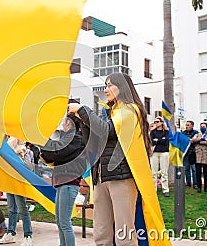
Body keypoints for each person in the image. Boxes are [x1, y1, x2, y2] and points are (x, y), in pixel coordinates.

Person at [68, 73, 168, 246]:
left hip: (121, 178)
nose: (105, 90)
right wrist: (82, 121)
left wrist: (83, 110)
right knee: (101, 235)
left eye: (109, 86)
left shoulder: (130, 110)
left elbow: (107, 131)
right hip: (101, 177)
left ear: (122, 88)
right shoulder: (111, 112)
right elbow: (93, 142)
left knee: (124, 237)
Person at [41, 114, 86, 246]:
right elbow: (53, 156)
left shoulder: (76, 139)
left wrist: (43, 141)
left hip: (69, 183)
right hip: (62, 183)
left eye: (65, 121)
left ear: (69, 124)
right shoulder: (68, 138)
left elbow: (57, 153)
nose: (63, 123)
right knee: (60, 221)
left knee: (65, 222)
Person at [0, 136, 33, 246]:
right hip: (9, 174)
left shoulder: (17, 136)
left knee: (22, 207)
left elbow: (8, 149)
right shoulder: (5, 136)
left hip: (18, 176)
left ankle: (28, 235)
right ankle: (10, 233)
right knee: (11, 207)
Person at [150, 116, 170, 197]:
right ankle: (154, 189)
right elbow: (151, 141)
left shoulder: (166, 131)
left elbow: (166, 141)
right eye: (155, 122)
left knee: (164, 172)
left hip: (164, 152)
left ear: (162, 122)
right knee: (153, 172)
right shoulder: (153, 132)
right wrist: (161, 140)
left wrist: (157, 140)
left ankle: (165, 189)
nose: (156, 123)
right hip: (154, 153)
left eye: (157, 121)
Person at [191, 122, 207, 193]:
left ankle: (206, 187)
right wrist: (202, 139)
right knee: (198, 172)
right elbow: (193, 140)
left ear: (206, 127)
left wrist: (199, 141)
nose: (202, 127)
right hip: (198, 155)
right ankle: (199, 187)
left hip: (206, 155)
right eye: (201, 126)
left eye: (204, 126)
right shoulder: (197, 134)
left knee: (206, 172)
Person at [182, 120, 198, 188]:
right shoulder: (183, 133)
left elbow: (196, 140)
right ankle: (188, 183)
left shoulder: (196, 132)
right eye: (186, 125)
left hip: (193, 153)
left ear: (192, 126)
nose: (186, 126)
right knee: (186, 169)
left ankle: (195, 184)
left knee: (194, 169)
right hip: (185, 153)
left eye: (188, 125)